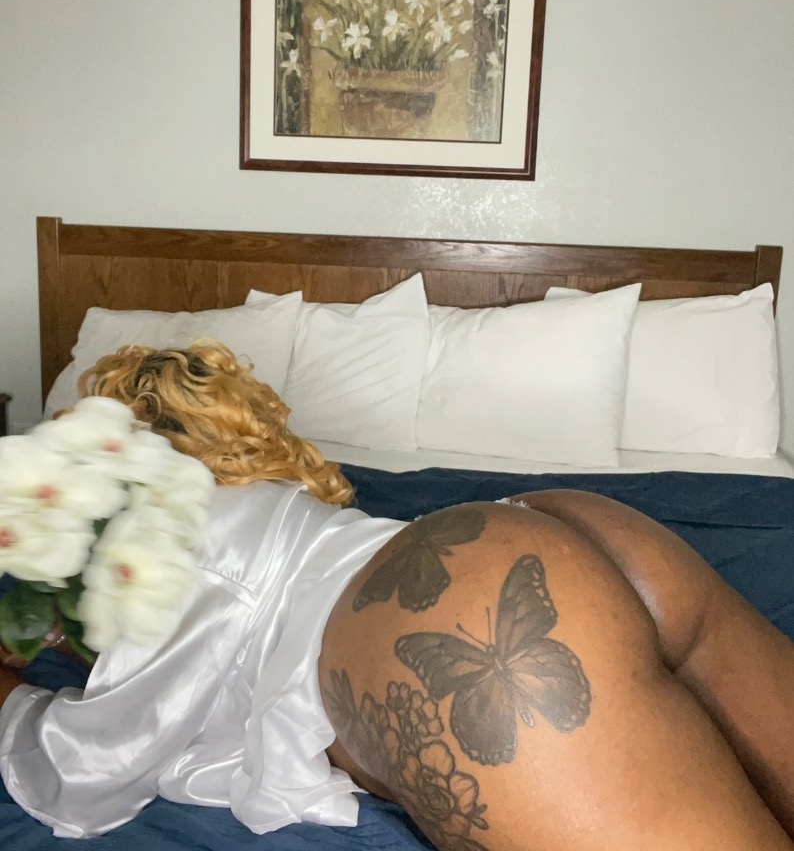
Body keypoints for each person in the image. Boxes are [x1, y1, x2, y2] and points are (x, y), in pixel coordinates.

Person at [0, 341, 792, 851]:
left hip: (460, 608)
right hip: (570, 526)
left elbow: (84, 772)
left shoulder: (162, 534)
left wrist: (10, 690)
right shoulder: (269, 499)